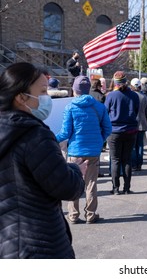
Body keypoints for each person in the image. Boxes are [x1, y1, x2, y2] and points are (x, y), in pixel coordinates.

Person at [0, 62, 85, 258]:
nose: (47, 97)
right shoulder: (34, 135)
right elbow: (67, 187)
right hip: (39, 244)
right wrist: (75, 170)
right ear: (21, 97)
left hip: (8, 242)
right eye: (43, 91)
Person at [56, 76, 112, 224]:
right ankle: (91, 215)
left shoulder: (70, 107)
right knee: (91, 184)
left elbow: (65, 133)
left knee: (74, 182)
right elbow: (108, 128)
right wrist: (99, 140)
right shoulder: (99, 106)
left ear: (74, 90)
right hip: (93, 151)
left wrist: (49, 138)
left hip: (75, 150)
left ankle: (73, 215)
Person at [105, 71, 139, 194]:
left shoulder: (111, 96)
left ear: (115, 82)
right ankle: (126, 188)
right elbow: (136, 111)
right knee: (127, 160)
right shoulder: (134, 95)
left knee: (115, 160)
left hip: (114, 131)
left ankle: (115, 188)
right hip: (130, 130)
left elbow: (105, 112)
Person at [131, 78, 147, 171]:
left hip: (132, 124)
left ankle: (134, 164)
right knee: (140, 145)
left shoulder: (130, 96)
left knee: (133, 146)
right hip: (142, 124)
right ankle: (139, 164)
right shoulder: (144, 97)